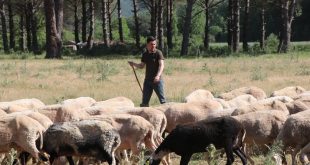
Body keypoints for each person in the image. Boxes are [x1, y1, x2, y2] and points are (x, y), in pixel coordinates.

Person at [128, 36, 166, 107]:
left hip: (157, 81)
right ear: (147, 45)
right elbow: (142, 66)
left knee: (163, 101)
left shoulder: (158, 53)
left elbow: (161, 65)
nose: (153, 46)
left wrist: (158, 76)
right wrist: (133, 64)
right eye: (151, 44)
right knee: (144, 102)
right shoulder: (145, 54)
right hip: (147, 81)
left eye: (154, 44)